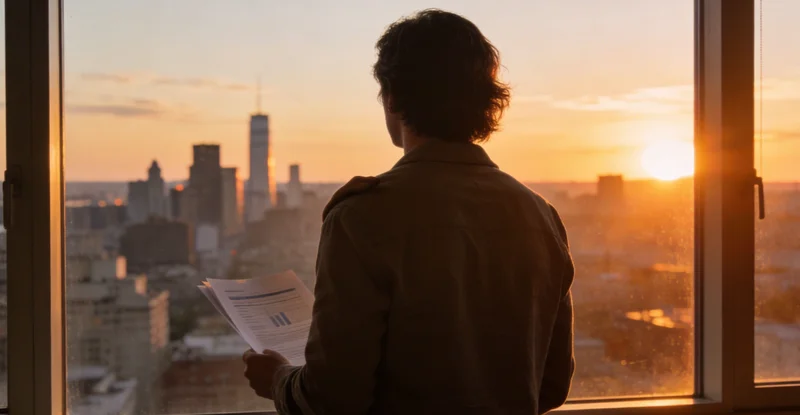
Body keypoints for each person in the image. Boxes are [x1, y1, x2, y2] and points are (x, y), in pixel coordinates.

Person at [243, 9, 574, 415]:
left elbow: (332, 399)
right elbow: (553, 385)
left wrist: (278, 379)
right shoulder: (540, 217)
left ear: (393, 97)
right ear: (484, 103)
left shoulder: (362, 217)